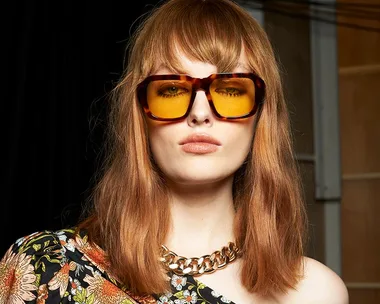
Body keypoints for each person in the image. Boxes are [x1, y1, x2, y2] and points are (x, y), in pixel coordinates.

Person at [0, 0, 349, 303]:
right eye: (170, 90)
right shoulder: (44, 265)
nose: (200, 113)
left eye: (229, 90)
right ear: (139, 113)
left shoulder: (315, 292)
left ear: (261, 116)